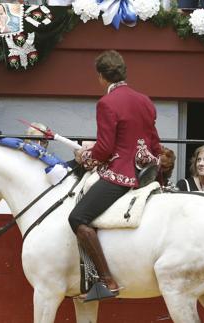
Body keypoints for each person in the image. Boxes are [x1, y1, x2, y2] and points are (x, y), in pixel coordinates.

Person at [68, 50, 161, 301]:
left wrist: (88, 157)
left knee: (78, 217)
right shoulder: (145, 100)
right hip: (148, 173)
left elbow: (106, 148)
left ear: (101, 77)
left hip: (121, 175)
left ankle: (106, 280)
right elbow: (154, 143)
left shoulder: (107, 103)